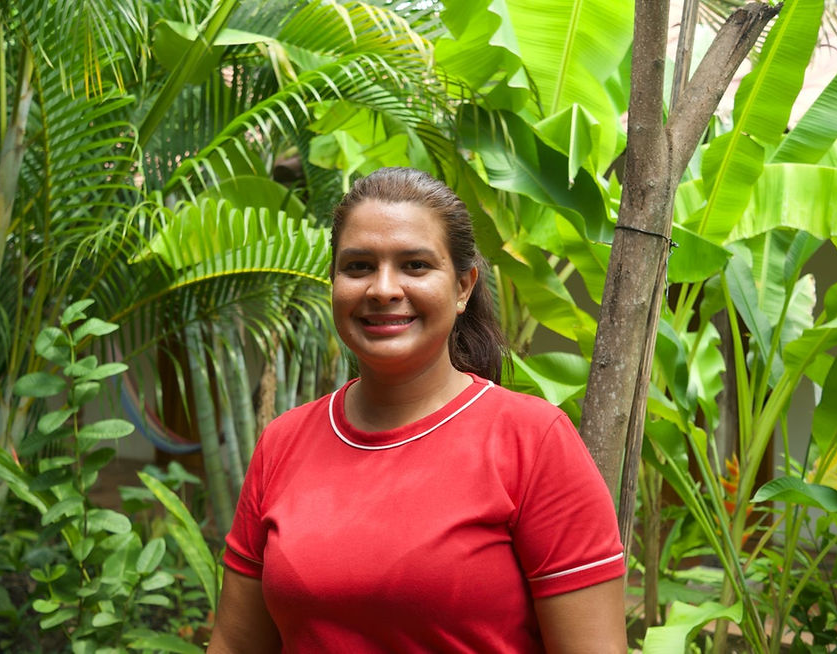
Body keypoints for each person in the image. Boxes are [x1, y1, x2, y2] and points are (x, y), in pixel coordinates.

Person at [207, 167, 627, 653]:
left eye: (415, 265)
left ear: (463, 287)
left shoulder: (533, 442)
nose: (383, 289)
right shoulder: (284, 442)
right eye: (358, 266)